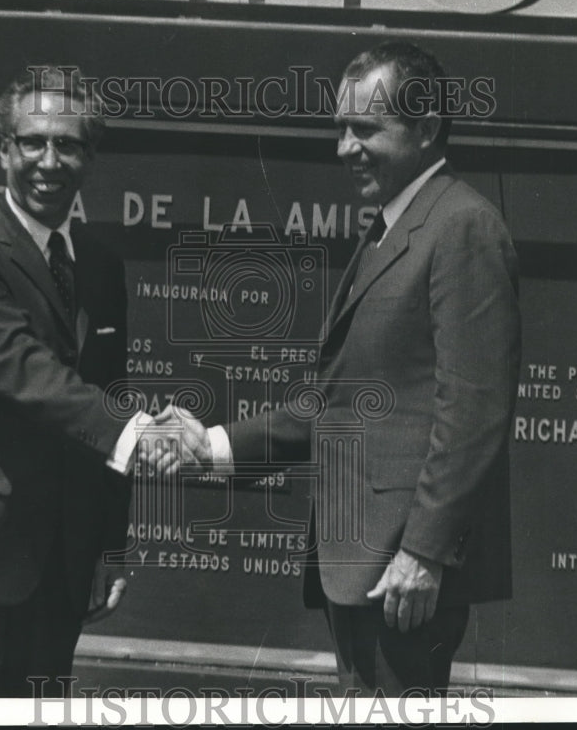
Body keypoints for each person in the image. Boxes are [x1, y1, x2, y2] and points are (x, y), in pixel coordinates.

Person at [153, 41, 521, 696]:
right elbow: (335, 405)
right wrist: (207, 444)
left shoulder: (462, 225)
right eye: (340, 129)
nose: (344, 149)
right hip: (364, 565)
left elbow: (473, 408)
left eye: (364, 129)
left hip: (401, 574)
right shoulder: (395, 229)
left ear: (427, 127)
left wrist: (425, 551)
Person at [0, 66, 166, 697]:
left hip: (61, 567)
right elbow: (20, 368)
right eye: (33, 142)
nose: (50, 160)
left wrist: (109, 546)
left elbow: (112, 392)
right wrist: (138, 433)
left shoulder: (100, 266)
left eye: (69, 144)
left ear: (90, 157)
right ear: (4, 151)